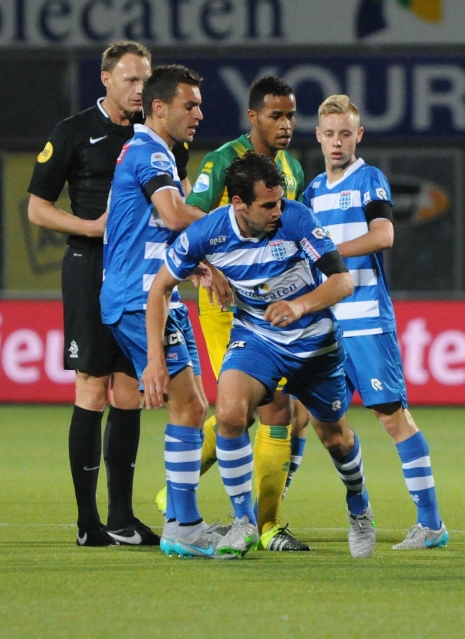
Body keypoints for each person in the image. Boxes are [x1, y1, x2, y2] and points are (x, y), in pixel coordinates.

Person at [144, 152, 378, 560]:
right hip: (257, 337)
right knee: (231, 415)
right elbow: (160, 287)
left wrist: (301, 306)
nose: (277, 210)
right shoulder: (208, 233)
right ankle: (244, 522)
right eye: (267, 205)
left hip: (314, 344)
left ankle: (359, 505)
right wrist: (154, 357)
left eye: (279, 201)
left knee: (335, 439)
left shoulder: (297, 219)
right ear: (238, 204)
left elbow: (342, 281)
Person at [26, 41, 188, 547]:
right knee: (92, 389)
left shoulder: (161, 140)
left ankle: (121, 516)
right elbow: (36, 208)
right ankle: (87, 523)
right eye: (130, 80)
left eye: (145, 81)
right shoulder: (73, 132)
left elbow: (171, 208)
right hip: (91, 267)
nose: (139, 89)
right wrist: (95, 228)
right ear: (105, 79)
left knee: (130, 394)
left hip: (141, 275)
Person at [153, 76, 310, 551]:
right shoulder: (222, 162)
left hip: (273, 306)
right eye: (276, 116)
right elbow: (187, 218)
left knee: (282, 413)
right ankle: (264, 527)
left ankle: (175, 494)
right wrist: (209, 266)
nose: (286, 125)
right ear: (253, 117)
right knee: (265, 408)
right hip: (226, 307)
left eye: (291, 115)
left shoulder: (293, 168)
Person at [303, 95, 448, 550]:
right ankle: (358, 510)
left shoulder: (369, 179)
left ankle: (431, 525)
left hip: (365, 317)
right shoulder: (311, 192)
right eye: (329, 134)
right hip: (325, 323)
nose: (337, 142)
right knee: (318, 424)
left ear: (358, 135)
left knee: (392, 417)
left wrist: (328, 252)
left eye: (345, 133)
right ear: (319, 137)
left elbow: (384, 235)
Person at [100, 64, 224, 555]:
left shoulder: (158, 154)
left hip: (155, 292)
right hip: (138, 296)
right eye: (188, 105)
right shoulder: (149, 151)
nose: (198, 113)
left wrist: (195, 267)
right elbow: (174, 215)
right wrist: (232, 226)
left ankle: (181, 520)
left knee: (192, 405)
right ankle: (183, 528)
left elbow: (155, 229)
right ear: (158, 107)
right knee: (189, 405)